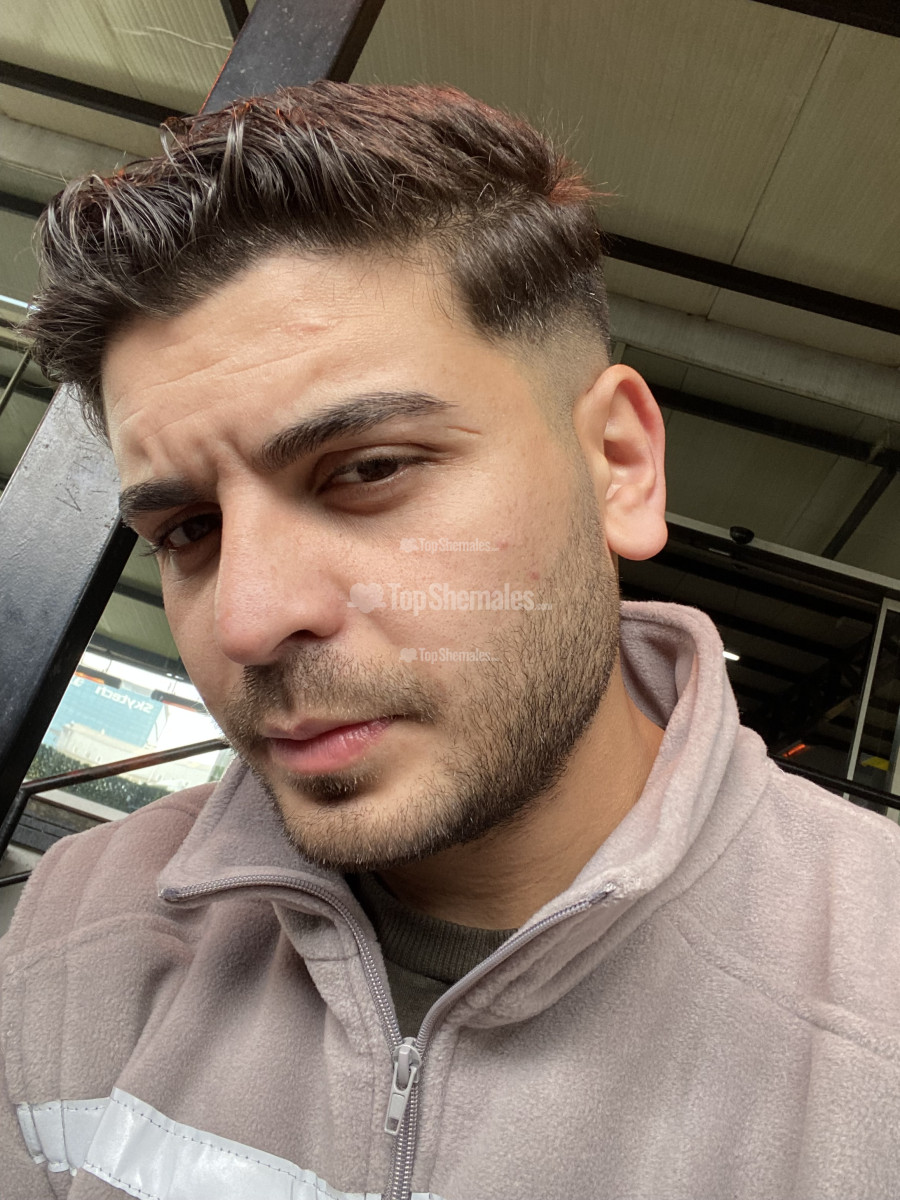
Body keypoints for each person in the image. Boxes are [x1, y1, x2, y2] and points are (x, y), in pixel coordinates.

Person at [2, 82, 899, 1200]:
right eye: (189, 529)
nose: (248, 619)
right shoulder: (87, 918)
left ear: (620, 466)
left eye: (368, 469)